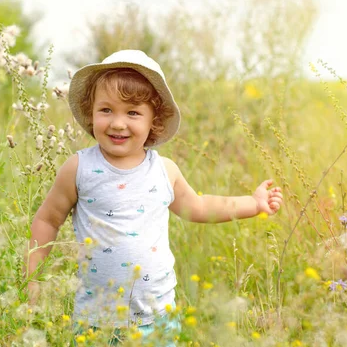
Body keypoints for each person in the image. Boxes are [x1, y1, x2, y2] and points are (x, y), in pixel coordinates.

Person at [26, 50, 283, 345]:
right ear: (90, 111)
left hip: (156, 320)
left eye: (133, 112)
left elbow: (199, 206)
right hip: (95, 322)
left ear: (154, 121)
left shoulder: (163, 170)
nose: (118, 123)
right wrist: (32, 278)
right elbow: (47, 219)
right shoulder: (79, 168)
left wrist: (254, 203)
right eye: (106, 110)